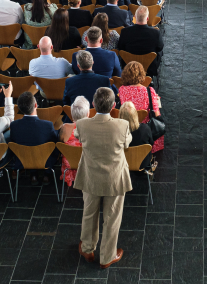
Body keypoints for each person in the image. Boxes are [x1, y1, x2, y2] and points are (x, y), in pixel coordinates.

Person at [75, 87, 133, 269]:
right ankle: (107, 256)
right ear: (114, 105)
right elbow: (127, 143)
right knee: (112, 217)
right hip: (115, 179)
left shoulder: (82, 124)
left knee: (89, 212)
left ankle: (87, 248)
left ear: (93, 104)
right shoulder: (122, 125)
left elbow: (77, 137)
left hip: (91, 177)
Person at [9, 92, 58, 185]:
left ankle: (33, 175)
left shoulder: (14, 125)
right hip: (44, 160)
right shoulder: (48, 125)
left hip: (23, 160)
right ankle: (47, 174)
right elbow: (54, 145)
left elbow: (13, 142)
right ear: (36, 105)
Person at [117, 61, 164, 152]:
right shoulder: (149, 90)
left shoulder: (122, 89)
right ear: (142, 75)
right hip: (144, 128)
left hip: (127, 126)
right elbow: (156, 113)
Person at [117, 7, 163, 75]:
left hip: (129, 66)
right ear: (147, 18)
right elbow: (160, 47)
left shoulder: (125, 31)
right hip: (149, 68)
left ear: (135, 17)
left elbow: (120, 47)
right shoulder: (156, 33)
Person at [60, 96, 89, 186]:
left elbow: (60, 144)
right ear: (88, 114)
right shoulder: (93, 129)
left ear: (72, 115)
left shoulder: (64, 128)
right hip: (87, 164)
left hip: (69, 164)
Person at [120, 103, 154, 170]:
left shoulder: (116, 131)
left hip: (123, 162)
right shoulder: (145, 129)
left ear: (120, 116)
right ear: (135, 114)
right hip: (143, 162)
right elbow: (151, 143)